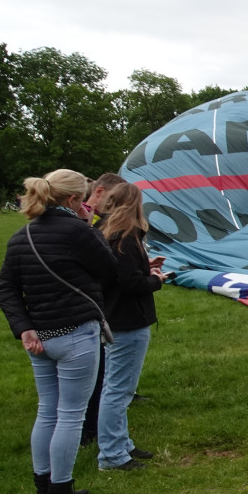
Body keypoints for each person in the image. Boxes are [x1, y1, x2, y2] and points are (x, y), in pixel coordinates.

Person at [0, 169, 117, 494]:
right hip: (75, 333)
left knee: (47, 410)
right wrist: (89, 227)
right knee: (71, 415)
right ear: (74, 199)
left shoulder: (21, 236)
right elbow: (109, 269)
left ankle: (44, 487)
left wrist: (23, 328)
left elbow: (5, 288)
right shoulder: (79, 231)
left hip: (40, 337)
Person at [95, 183, 166, 470]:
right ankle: (112, 454)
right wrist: (155, 280)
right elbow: (130, 284)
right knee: (119, 390)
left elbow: (118, 276)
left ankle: (121, 443)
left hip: (114, 318)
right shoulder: (126, 239)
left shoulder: (105, 235)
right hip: (128, 320)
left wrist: (145, 267)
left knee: (116, 387)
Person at [79, 171, 126, 446]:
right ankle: (89, 427)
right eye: (113, 198)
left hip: (95, 304)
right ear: (100, 192)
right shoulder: (86, 224)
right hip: (89, 307)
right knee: (94, 372)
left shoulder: (94, 221)